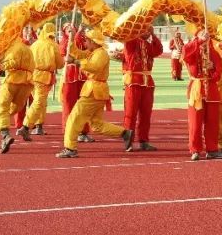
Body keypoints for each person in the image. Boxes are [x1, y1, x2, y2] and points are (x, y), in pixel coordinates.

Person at [56, 29, 132, 158]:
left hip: (93, 91)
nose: (85, 41)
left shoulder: (100, 54)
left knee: (74, 118)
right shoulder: (94, 52)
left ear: (93, 42)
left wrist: (75, 62)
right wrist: (71, 39)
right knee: (96, 124)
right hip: (96, 91)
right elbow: (77, 53)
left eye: (87, 40)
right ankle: (124, 133)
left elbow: (93, 67)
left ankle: (70, 148)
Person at [0, 37, 36, 153]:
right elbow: (33, 66)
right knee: (9, 111)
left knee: (1, 110)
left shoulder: (13, 47)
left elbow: (12, 63)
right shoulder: (28, 49)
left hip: (12, 81)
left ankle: (5, 136)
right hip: (26, 84)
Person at [183, 27, 222, 161]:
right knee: (195, 123)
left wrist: (212, 67)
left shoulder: (214, 53)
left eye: (206, 36)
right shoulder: (193, 49)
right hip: (197, 90)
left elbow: (219, 73)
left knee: (212, 123)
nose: (205, 38)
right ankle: (195, 149)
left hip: (212, 89)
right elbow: (186, 53)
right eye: (202, 35)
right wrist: (199, 40)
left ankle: (212, 149)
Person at [121, 30, 163, 151]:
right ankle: (128, 143)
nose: (147, 31)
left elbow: (159, 50)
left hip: (147, 83)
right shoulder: (132, 42)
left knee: (146, 114)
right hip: (133, 82)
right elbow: (129, 37)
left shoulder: (148, 44)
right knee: (131, 113)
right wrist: (137, 29)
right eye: (145, 29)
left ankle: (144, 141)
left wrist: (153, 35)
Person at [26, 22, 65, 136]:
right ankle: (28, 125)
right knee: (40, 102)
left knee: (38, 101)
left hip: (32, 75)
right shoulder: (53, 45)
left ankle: (36, 125)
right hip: (44, 77)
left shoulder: (35, 44)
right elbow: (60, 64)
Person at [59, 24, 93, 143]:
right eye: (67, 28)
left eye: (71, 26)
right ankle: (70, 131)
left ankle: (84, 131)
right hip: (70, 76)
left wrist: (78, 33)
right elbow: (64, 56)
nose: (69, 29)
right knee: (69, 104)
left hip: (82, 75)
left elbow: (84, 50)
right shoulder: (64, 42)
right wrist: (75, 34)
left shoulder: (81, 39)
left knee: (83, 104)